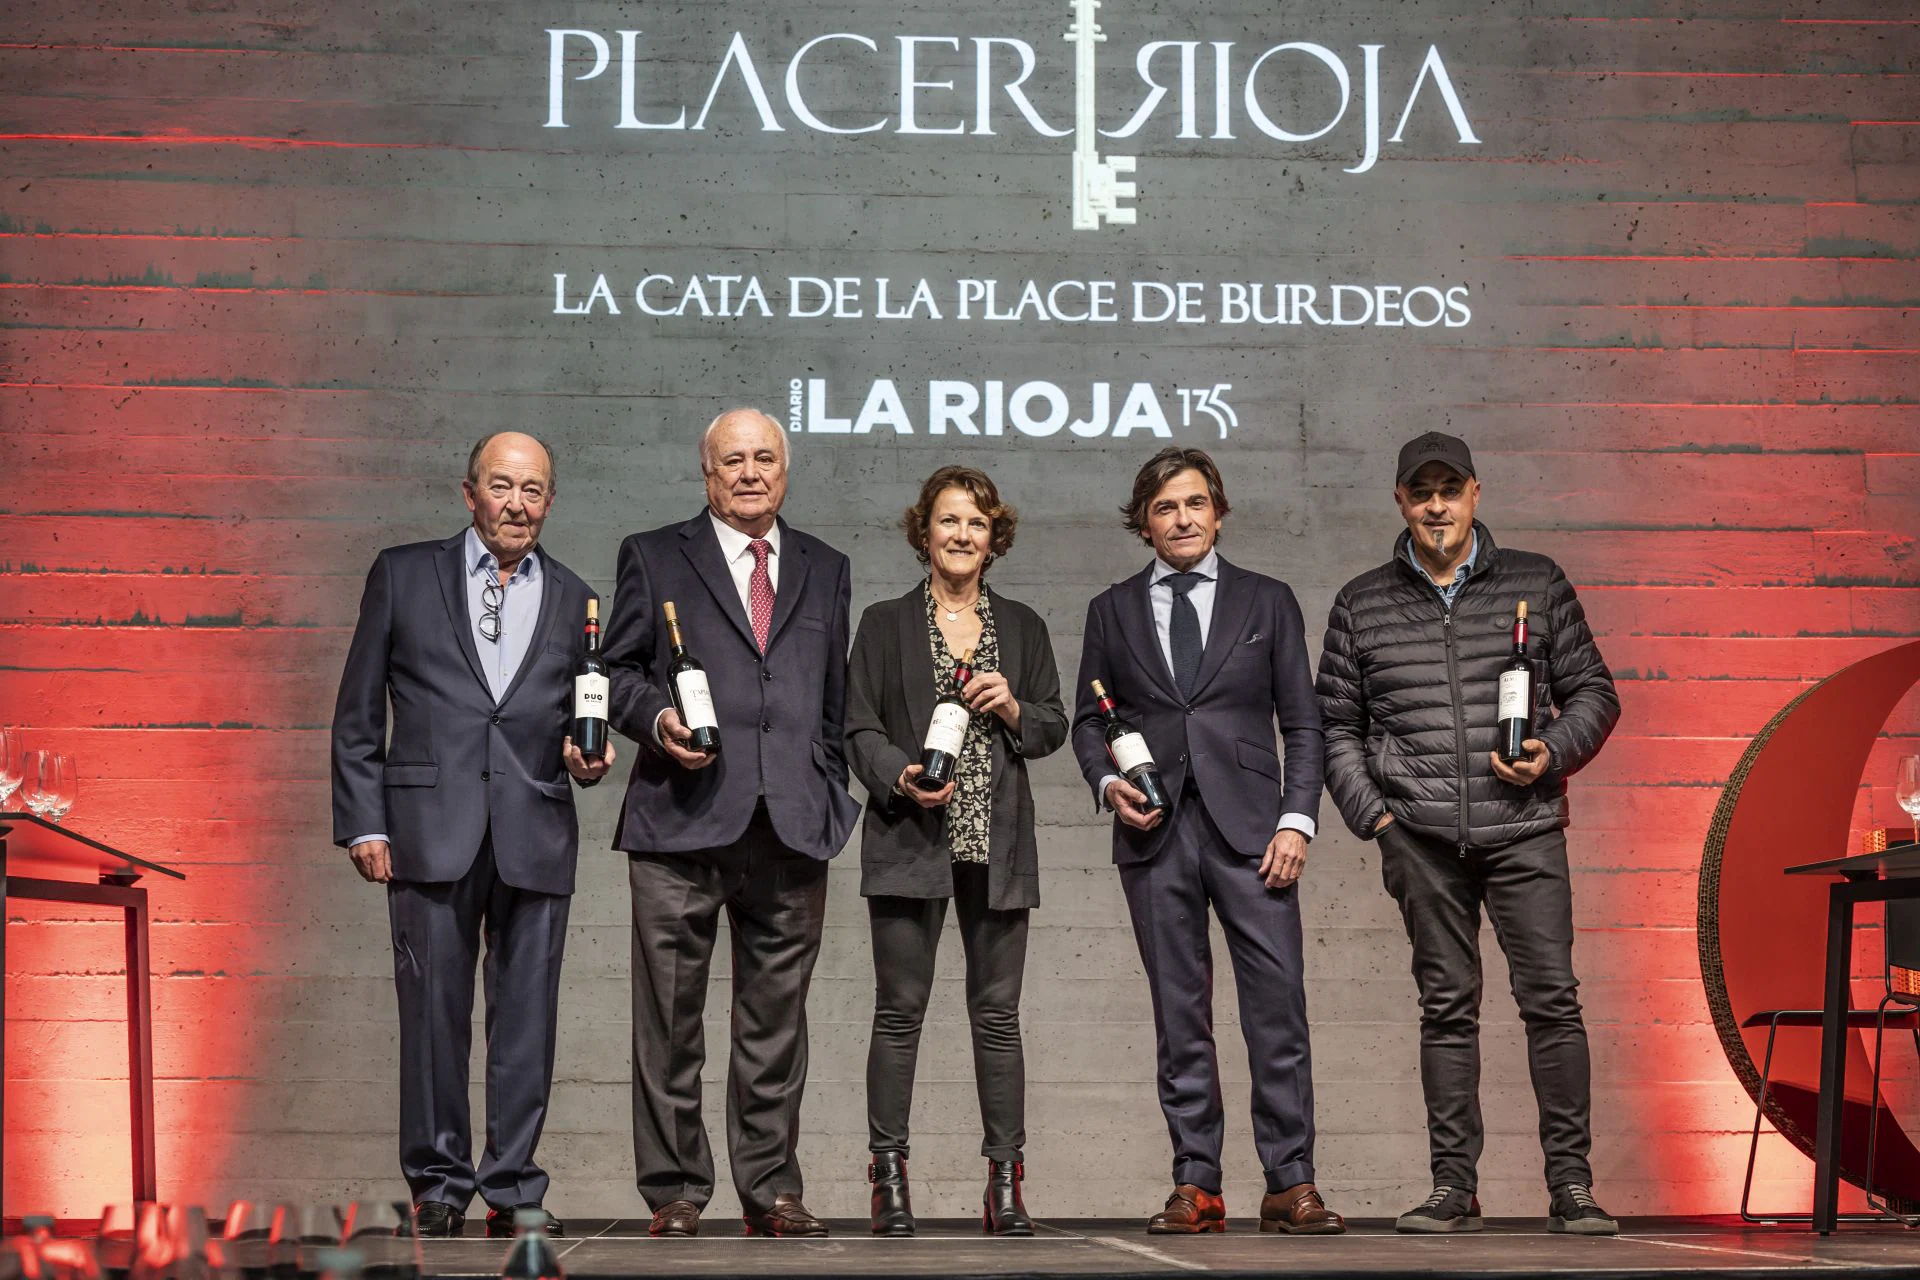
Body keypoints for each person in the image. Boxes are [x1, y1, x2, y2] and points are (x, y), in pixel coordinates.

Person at [1315, 431, 1622, 1236]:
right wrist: (1377, 821)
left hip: (1523, 829)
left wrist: (1553, 750)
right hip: (1419, 838)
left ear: (1476, 493)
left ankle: (1573, 1187)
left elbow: (1594, 690)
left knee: (1551, 1003)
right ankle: (1454, 1187)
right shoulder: (1362, 602)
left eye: (1450, 489)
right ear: (1401, 503)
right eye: (1422, 493)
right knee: (1446, 1009)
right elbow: (1335, 727)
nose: (1437, 505)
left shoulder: (1536, 581)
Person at [330, 431, 614, 1239]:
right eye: (502, 485)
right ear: (469, 492)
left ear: (550, 502)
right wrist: (365, 821)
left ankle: (514, 1183)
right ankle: (438, 1183)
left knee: (527, 1024)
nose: (517, 503)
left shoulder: (575, 595)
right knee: (432, 1018)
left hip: (536, 831)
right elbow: (357, 714)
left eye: (533, 489)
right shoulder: (402, 573)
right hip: (426, 829)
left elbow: (574, 719)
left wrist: (583, 759)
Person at [1070, 447, 1342, 1236]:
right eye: (1164, 508)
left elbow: (1304, 721)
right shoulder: (1111, 608)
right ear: (1144, 523)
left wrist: (1297, 819)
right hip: (1155, 834)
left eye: (1194, 504)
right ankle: (1197, 1182)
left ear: (1217, 512)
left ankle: (1291, 1182)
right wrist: (1105, 782)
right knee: (1179, 1014)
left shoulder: (1267, 600)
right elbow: (1092, 719)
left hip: (1256, 834)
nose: (1181, 519)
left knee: (1277, 1010)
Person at [601, 408, 859, 1238]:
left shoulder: (826, 565)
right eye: (732, 461)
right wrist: (654, 722)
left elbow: (828, 698)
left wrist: (827, 786)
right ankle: (675, 1190)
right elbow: (617, 671)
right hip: (679, 822)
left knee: (775, 1028)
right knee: (670, 1024)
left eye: (765, 459)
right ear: (705, 473)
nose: (750, 473)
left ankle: (772, 1189)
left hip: (791, 826)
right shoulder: (653, 553)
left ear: (786, 469)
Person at [844, 466, 1068, 1237]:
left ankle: (1005, 1183)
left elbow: (1051, 726)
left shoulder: (1025, 627)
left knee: (997, 1018)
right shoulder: (883, 623)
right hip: (912, 840)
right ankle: (889, 1180)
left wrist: (1012, 706)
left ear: (993, 536)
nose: (962, 535)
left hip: (997, 847)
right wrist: (898, 776)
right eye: (948, 521)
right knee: (899, 1014)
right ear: (924, 532)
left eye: (975, 523)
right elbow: (858, 728)